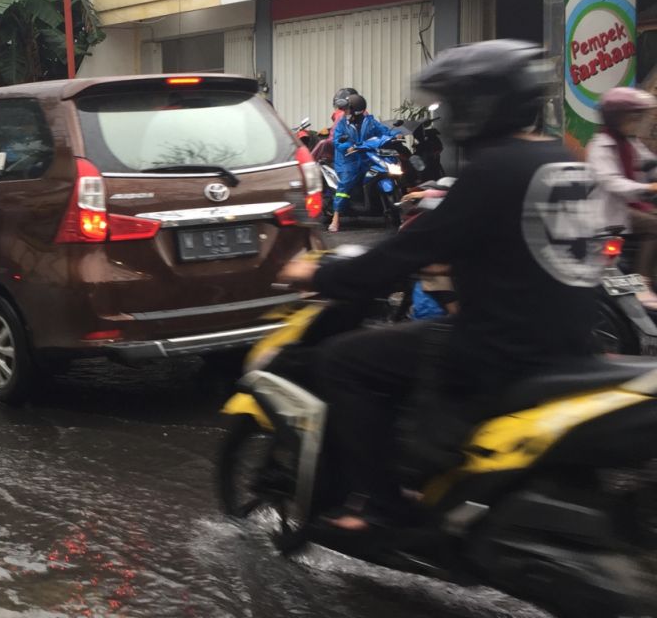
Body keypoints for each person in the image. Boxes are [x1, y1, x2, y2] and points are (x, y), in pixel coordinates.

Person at [279, 39, 598, 532]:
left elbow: (408, 252)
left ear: (480, 106)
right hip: (573, 341)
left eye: (453, 102)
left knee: (343, 360)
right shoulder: (563, 159)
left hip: (500, 344)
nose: (447, 115)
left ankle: (384, 509)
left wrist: (318, 273)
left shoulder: (494, 169)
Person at [586, 87, 657, 308]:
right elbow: (611, 181)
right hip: (611, 214)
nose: (635, 122)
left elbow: (649, 163)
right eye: (632, 117)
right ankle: (642, 282)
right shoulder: (600, 146)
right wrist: (648, 187)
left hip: (631, 205)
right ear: (615, 118)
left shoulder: (629, 143)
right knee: (654, 225)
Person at [329, 94, 393, 233]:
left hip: (366, 157)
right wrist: (348, 146)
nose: (344, 111)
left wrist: (395, 135)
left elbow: (383, 131)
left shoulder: (370, 121)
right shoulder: (341, 123)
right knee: (345, 185)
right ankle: (336, 218)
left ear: (355, 110)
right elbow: (337, 140)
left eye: (347, 109)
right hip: (348, 160)